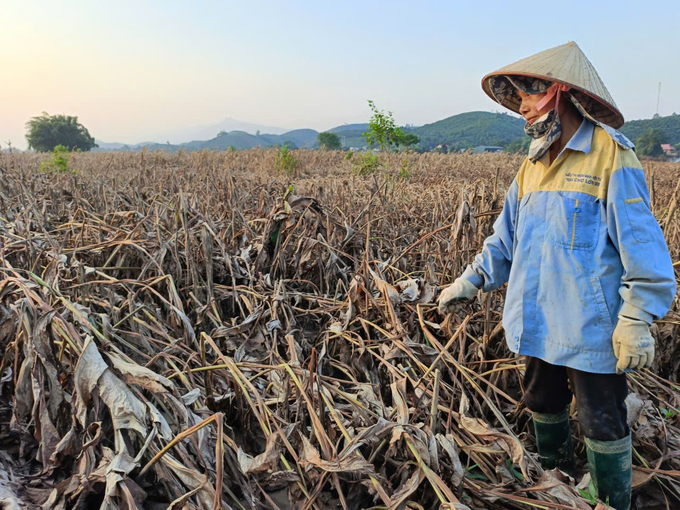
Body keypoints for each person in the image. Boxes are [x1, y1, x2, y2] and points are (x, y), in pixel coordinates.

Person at [437, 42, 676, 510]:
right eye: (518, 98)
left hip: (592, 327)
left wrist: (637, 317)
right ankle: (558, 485)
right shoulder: (530, 167)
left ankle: (612, 500)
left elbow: (643, 246)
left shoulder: (611, 156)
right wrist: (471, 279)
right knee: (541, 402)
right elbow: (505, 240)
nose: (522, 107)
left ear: (559, 91)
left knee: (601, 420)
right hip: (538, 318)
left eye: (529, 94)